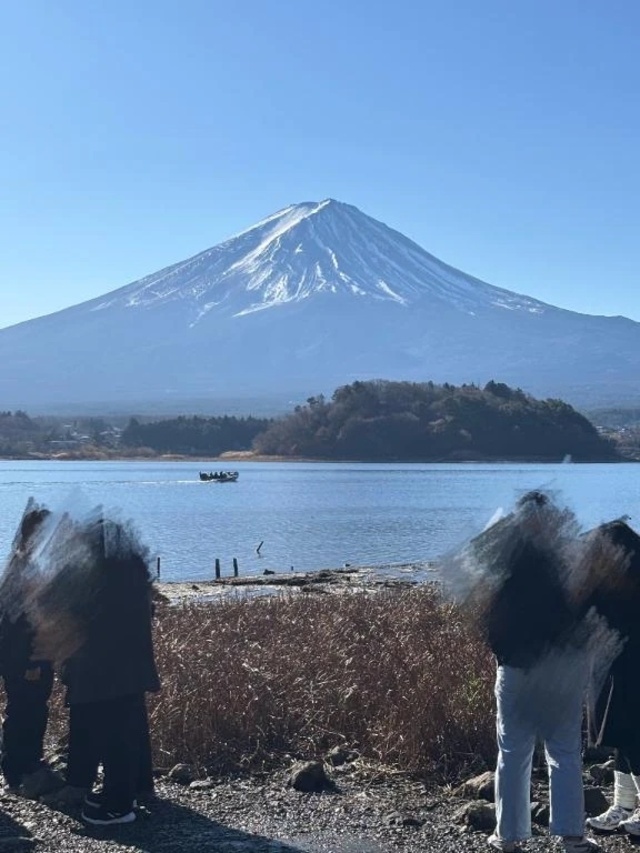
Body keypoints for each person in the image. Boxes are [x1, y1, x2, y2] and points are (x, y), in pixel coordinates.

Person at [468, 491, 598, 853]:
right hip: (560, 670)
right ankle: (572, 836)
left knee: (512, 752)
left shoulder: (504, 563)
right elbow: (583, 616)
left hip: (517, 669)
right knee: (565, 752)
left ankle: (508, 837)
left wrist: (504, 653)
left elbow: (489, 619)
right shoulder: (568, 559)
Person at [35, 513, 160, 825]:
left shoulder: (92, 576)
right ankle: (138, 789)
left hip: (100, 673)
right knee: (131, 731)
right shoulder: (132, 571)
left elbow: (64, 611)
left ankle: (117, 807)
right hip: (132, 670)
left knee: (114, 737)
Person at [583, 520, 640, 835]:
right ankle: (622, 805)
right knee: (620, 737)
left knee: (634, 738)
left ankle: (633, 808)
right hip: (609, 668)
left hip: (631, 668)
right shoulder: (605, 579)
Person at [0, 504, 61, 798]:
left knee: (32, 709)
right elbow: (17, 624)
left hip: (29, 655)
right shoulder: (22, 569)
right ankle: (18, 770)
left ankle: (26, 764)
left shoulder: (25, 564)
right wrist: (30, 661)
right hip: (25, 657)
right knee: (25, 710)